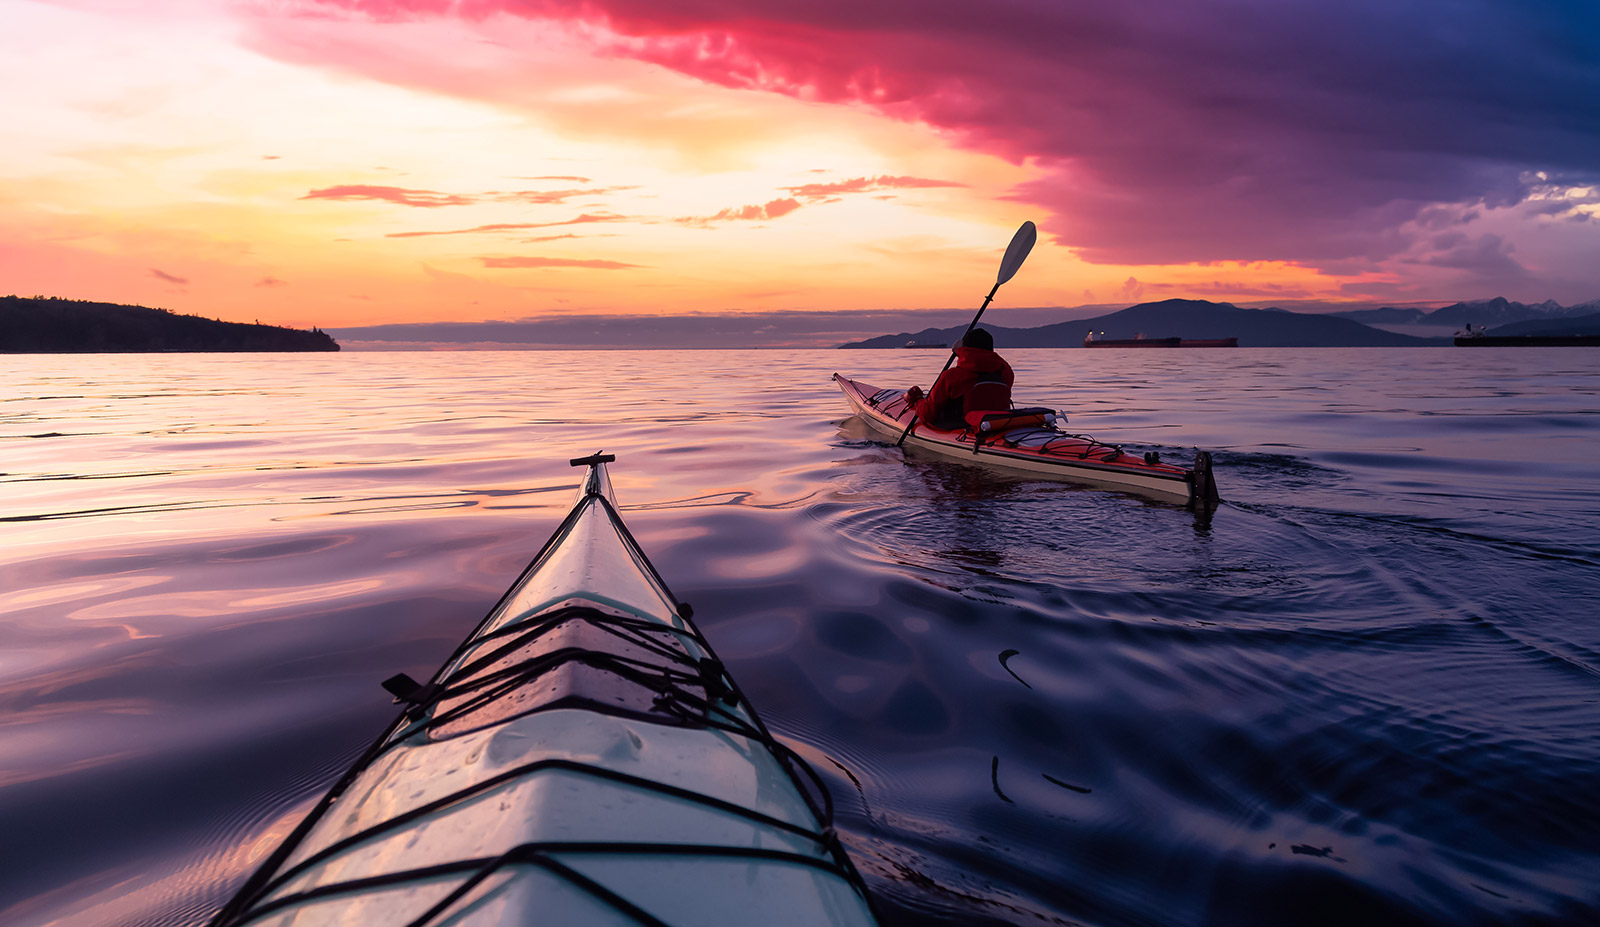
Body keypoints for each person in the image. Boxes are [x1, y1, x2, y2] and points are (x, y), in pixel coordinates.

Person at [905, 327, 1014, 430]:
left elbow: (928, 414)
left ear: (965, 349)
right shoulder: (1005, 374)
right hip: (997, 425)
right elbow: (990, 361)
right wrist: (963, 352)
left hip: (962, 427)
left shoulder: (951, 376)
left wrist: (917, 401)